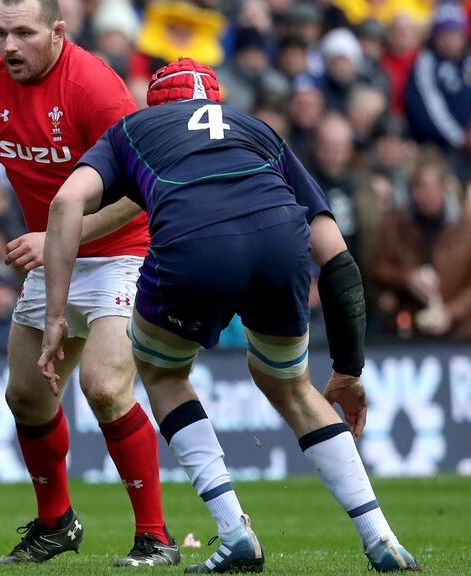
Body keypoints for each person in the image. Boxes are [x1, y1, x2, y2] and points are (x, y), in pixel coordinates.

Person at [39, 58, 419, 573]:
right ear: (214, 100)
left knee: (162, 372)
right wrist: (349, 371)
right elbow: (338, 261)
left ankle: (235, 533)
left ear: (158, 104)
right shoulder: (257, 130)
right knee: (289, 384)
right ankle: (382, 539)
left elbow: (66, 204)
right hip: (279, 242)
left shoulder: (133, 128)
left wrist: (57, 315)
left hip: (193, 247)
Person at [0, 0, 176, 566]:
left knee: (103, 386)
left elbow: (142, 190)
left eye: (23, 33)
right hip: (54, 260)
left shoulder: (96, 87)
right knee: (26, 394)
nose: (9, 46)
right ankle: (57, 525)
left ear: (58, 32)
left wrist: (54, 240)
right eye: (1, 33)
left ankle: (155, 537)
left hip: (125, 253)